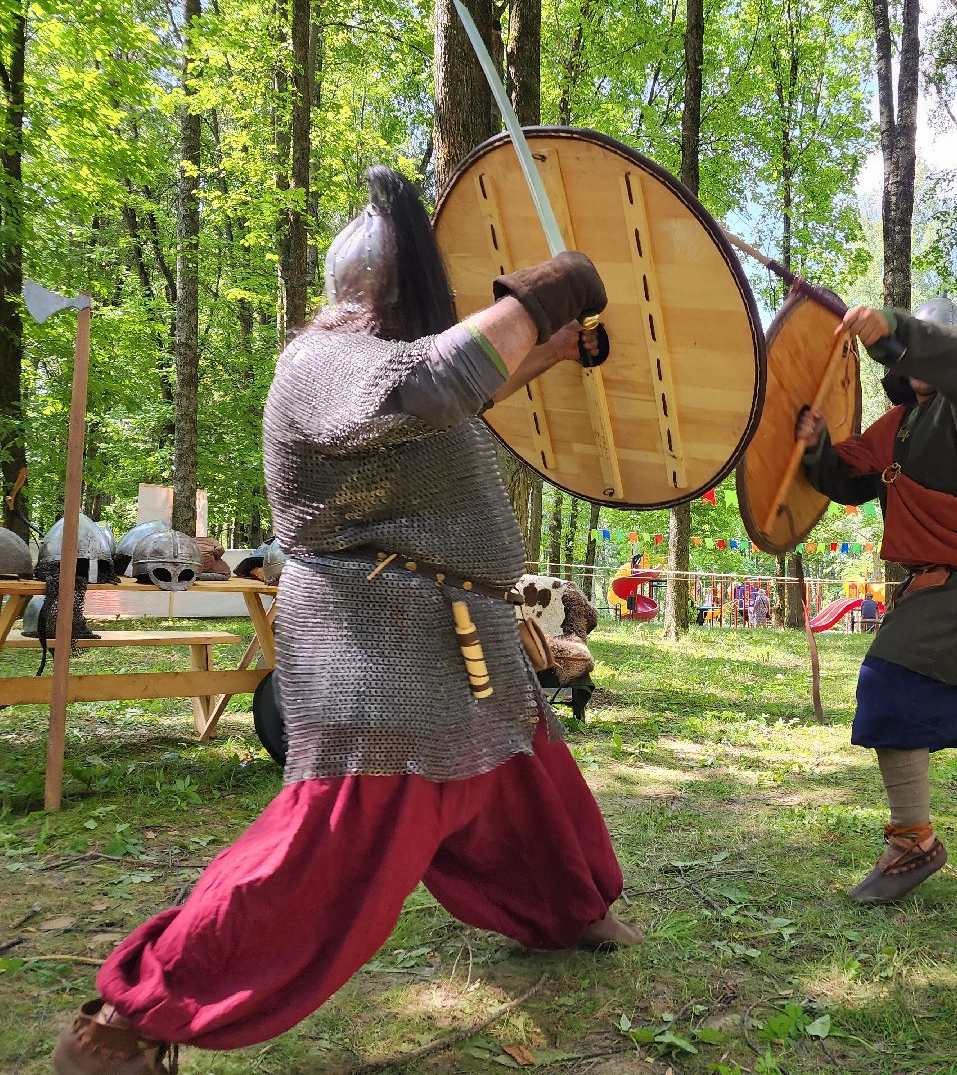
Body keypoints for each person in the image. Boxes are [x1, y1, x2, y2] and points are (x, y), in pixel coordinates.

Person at [53, 168, 641, 1075]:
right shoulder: (323, 362)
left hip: (455, 629)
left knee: (524, 783)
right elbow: (441, 381)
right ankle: (129, 1019)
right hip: (379, 639)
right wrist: (543, 290)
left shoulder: (392, 370)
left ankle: (567, 910)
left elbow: (469, 389)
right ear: (387, 291)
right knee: (328, 851)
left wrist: (550, 348)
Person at [795, 296, 957, 905]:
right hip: (946, 584)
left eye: (929, 348)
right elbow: (850, 481)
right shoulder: (898, 425)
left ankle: (912, 841)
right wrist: (818, 447)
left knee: (887, 680)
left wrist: (892, 326)